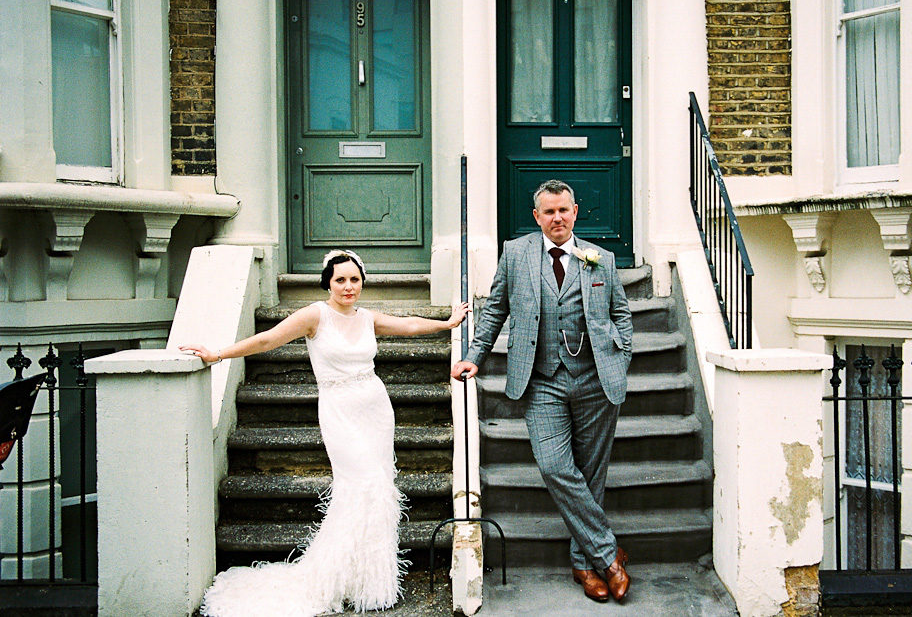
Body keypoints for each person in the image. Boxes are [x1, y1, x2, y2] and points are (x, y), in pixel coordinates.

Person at [179, 249, 468, 617]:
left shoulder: (366, 318)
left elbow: (409, 323)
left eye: (355, 280)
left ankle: (368, 581)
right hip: (339, 411)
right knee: (357, 486)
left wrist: (447, 324)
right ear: (328, 283)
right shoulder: (315, 315)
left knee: (378, 488)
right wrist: (217, 354)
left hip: (375, 408)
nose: (349, 287)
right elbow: (268, 340)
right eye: (340, 280)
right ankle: (331, 578)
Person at [451, 179, 633, 603]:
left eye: (564, 210)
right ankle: (608, 554)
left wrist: (619, 358)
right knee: (555, 467)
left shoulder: (600, 258)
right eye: (548, 212)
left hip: (596, 379)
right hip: (542, 380)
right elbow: (496, 307)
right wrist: (475, 354)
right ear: (537, 216)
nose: (557, 218)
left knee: (591, 474)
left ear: (574, 211)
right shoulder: (515, 254)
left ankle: (584, 564)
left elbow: (621, 314)